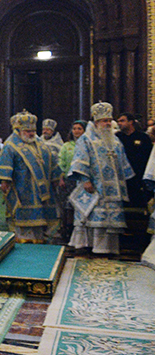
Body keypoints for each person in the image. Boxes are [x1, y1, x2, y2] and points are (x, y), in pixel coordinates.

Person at [68, 102, 134, 257]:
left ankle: (107, 248)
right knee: (92, 216)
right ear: (96, 122)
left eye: (109, 120)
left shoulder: (115, 140)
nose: (108, 123)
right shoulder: (86, 139)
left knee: (109, 220)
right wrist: (85, 180)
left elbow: (123, 163)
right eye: (105, 121)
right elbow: (80, 160)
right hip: (94, 185)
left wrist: (125, 181)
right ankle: (88, 245)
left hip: (113, 187)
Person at [0, 111, 61, 243]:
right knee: (23, 214)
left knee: (41, 213)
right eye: (27, 131)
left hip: (42, 188)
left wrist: (55, 178)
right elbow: (5, 164)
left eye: (33, 131)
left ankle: (39, 237)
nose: (31, 133)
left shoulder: (40, 144)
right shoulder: (11, 145)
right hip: (22, 185)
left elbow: (51, 161)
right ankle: (24, 238)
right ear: (19, 130)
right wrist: (5, 181)